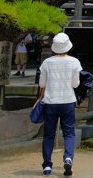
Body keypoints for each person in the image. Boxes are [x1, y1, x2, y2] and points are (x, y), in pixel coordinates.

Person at [36, 32, 82, 176]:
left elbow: (42, 83)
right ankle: (68, 158)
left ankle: (47, 166)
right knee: (69, 133)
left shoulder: (47, 63)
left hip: (50, 101)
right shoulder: (74, 62)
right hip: (67, 101)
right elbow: (75, 84)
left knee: (49, 134)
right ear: (68, 46)